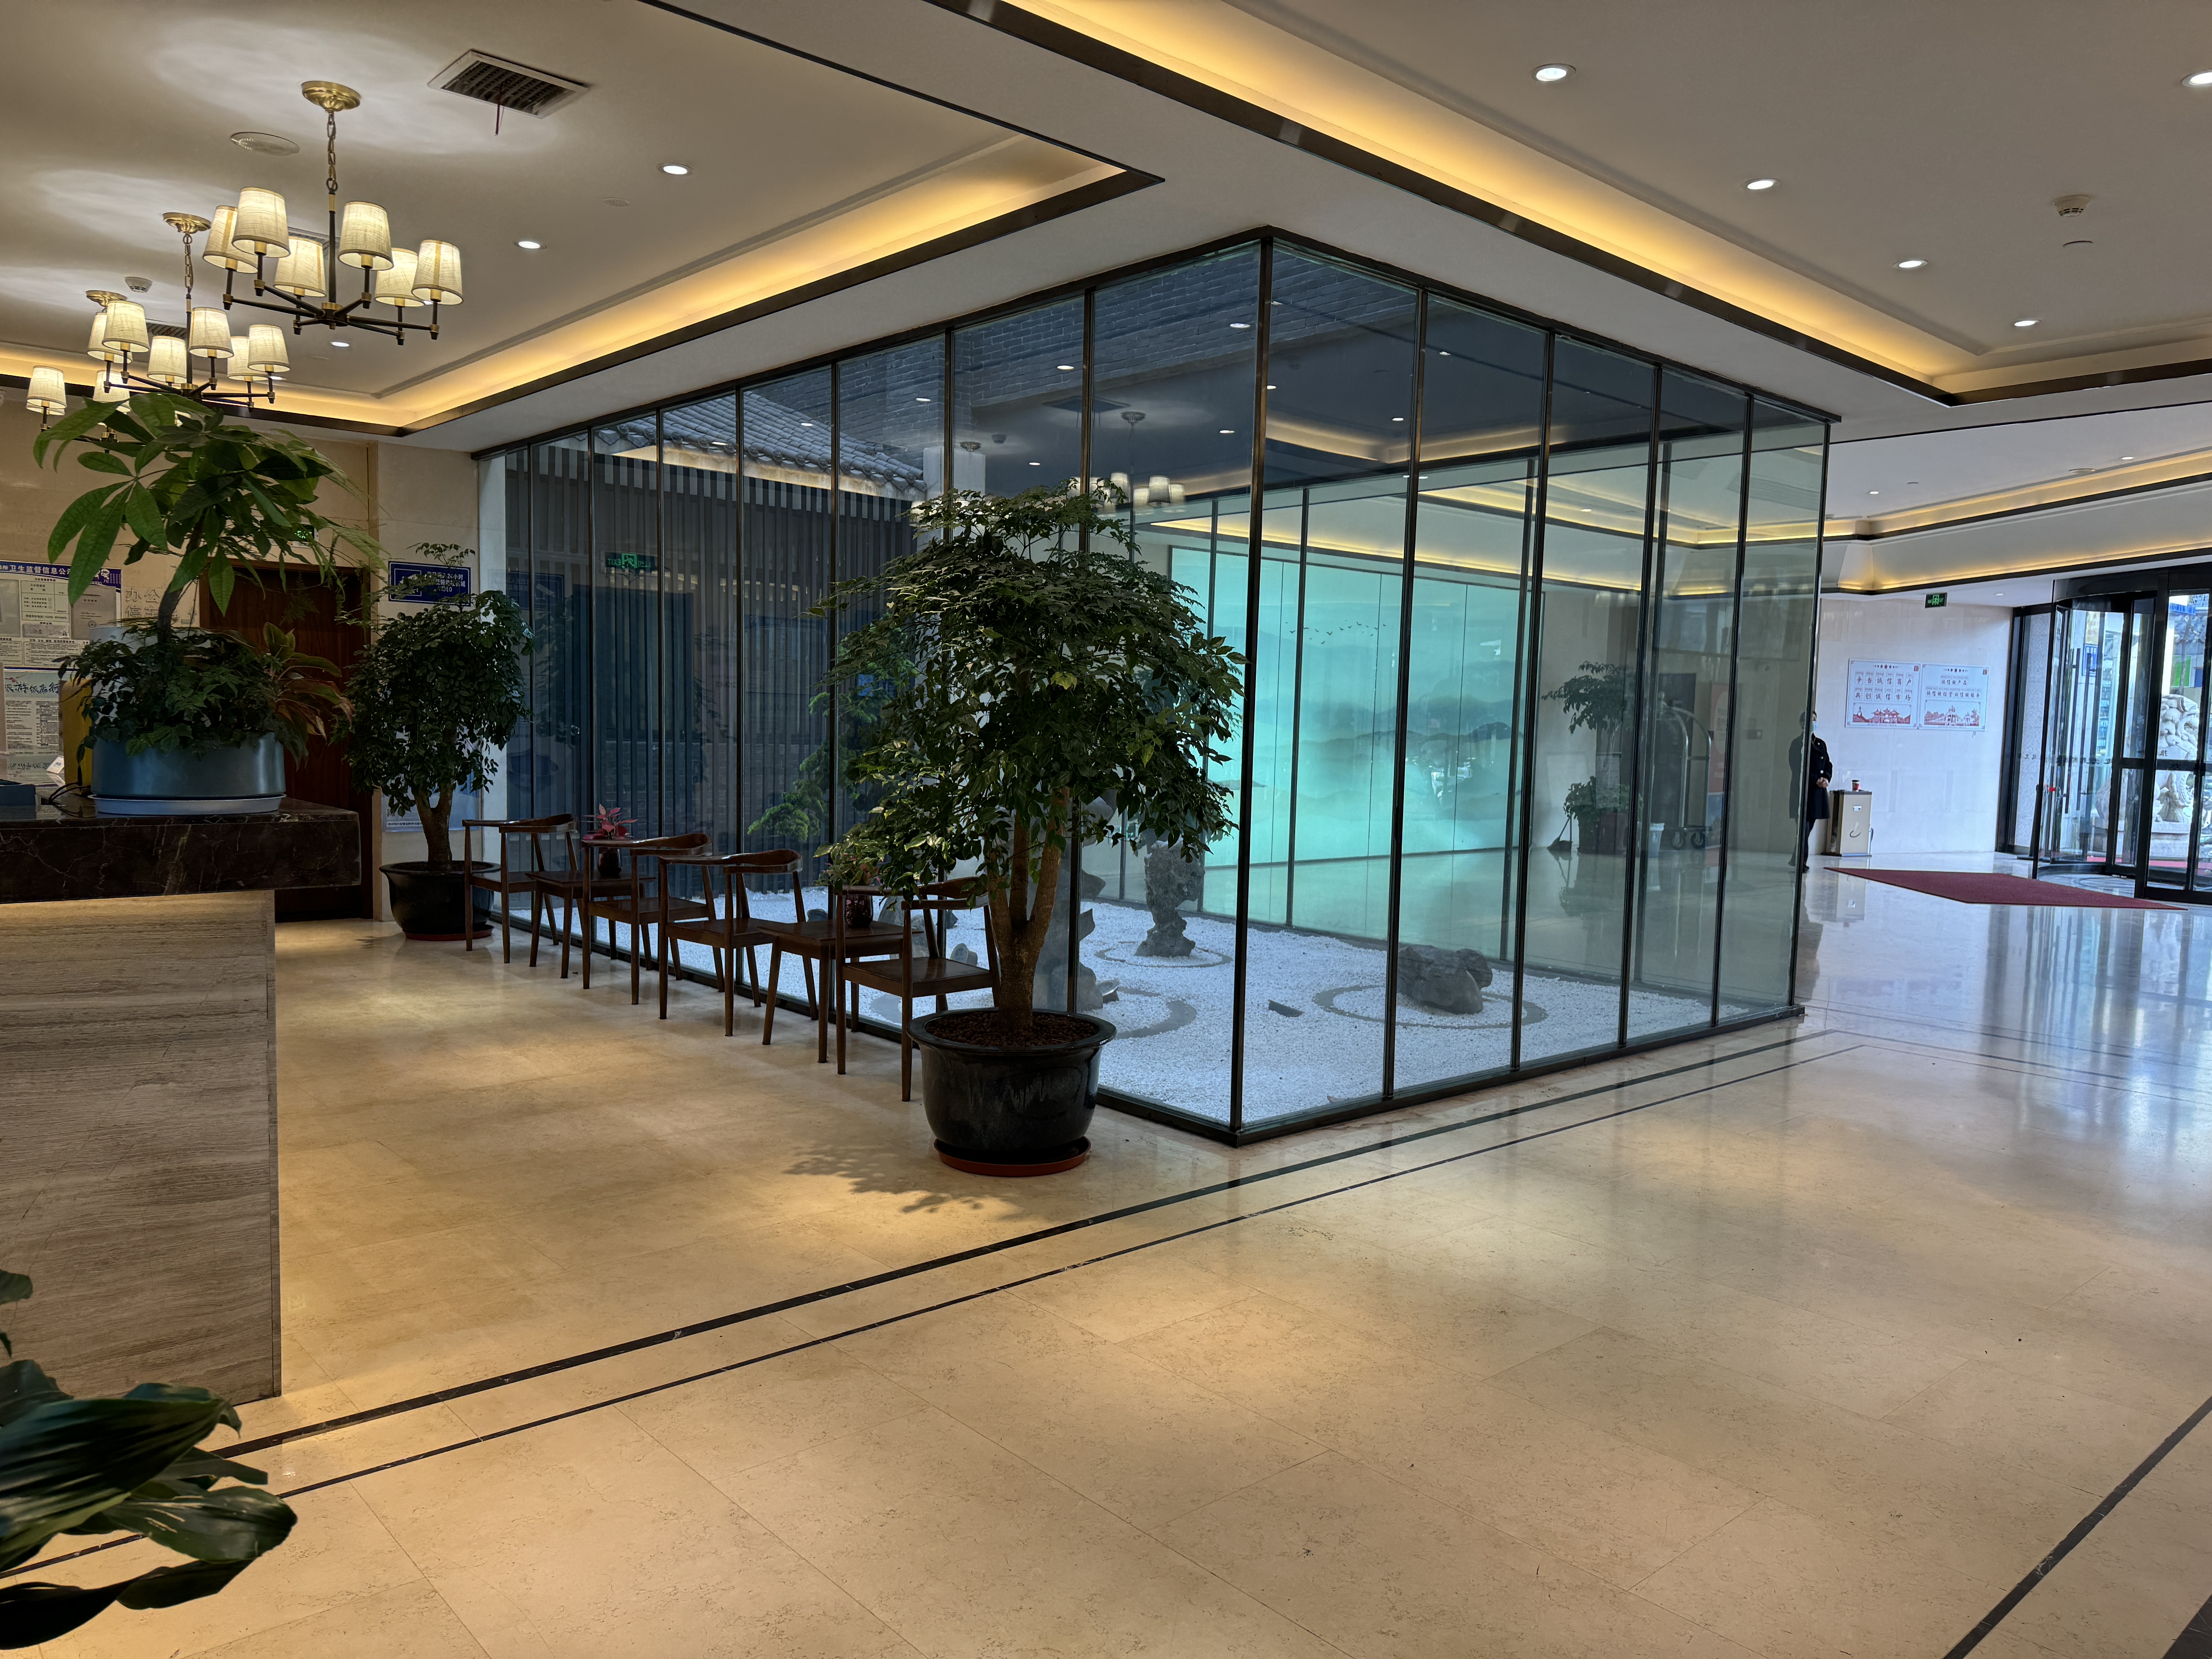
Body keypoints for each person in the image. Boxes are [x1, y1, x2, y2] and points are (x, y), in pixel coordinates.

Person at [1787, 714, 1834, 871]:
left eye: (1815, 719)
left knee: (1807, 830)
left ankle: (1796, 859)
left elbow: (1828, 764)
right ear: (1802, 723)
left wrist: (1826, 778)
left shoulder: (1820, 744)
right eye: (1810, 719)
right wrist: (1815, 780)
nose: (1813, 722)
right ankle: (1802, 863)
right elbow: (1797, 767)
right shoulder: (1797, 744)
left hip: (1817, 794)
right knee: (1804, 829)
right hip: (1803, 792)